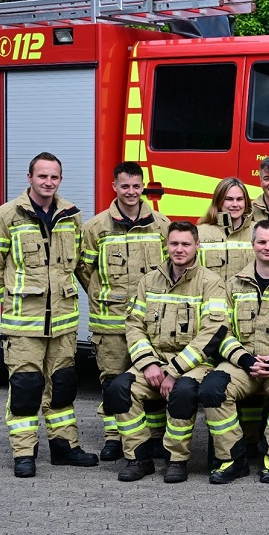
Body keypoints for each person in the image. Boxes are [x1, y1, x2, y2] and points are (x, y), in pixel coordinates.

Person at [0, 152, 98, 477]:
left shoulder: (71, 216)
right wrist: (7, 296)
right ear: (29, 177)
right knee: (26, 387)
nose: (48, 182)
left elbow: (74, 264)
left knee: (62, 385)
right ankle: (24, 453)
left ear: (60, 179)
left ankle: (64, 448)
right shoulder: (5, 216)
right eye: (42, 176)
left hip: (62, 322)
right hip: (24, 323)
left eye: (54, 177)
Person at [105, 221, 229, 483]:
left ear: (197, 246)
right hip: (153, 362)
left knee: (183, 392)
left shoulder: (211, 283)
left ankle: (177, 460)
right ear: (167, 245)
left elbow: (211, 334)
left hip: (194, 365)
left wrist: (174, 371)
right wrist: (149, 364)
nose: (179, 249)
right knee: (119, 388)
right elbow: (134, 325)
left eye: (186, 244)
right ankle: (138, 457)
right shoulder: (149, 281)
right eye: (174, 243)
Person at [200, 219, 269, 485]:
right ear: (252, 245)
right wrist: (246, 360)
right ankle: (232, 458)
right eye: (261, 242)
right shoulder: (234, 284)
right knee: (212, 388)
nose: (267, 247)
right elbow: (220, 332)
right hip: (243, 364)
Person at [77, 161, 171, 463]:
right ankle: (114, 437)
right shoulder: (96, 227)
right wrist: (105, 294)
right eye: (124, 186)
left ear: (142, 187)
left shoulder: (161, 225)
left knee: (151, 377)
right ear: (114, 187)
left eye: (135, 186)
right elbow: (84, 268)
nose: (131, 192)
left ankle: (154, 436)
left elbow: (172, 268)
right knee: (112, 379)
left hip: (151, 321)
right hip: (111, 321)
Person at [197, 177, 255, 284]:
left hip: (246, 300)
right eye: (229, 199)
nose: (235, 204)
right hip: (211, 298)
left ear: (246, 202)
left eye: (239, 199)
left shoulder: (259, 232)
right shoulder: (200, 233)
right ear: (218, 201)